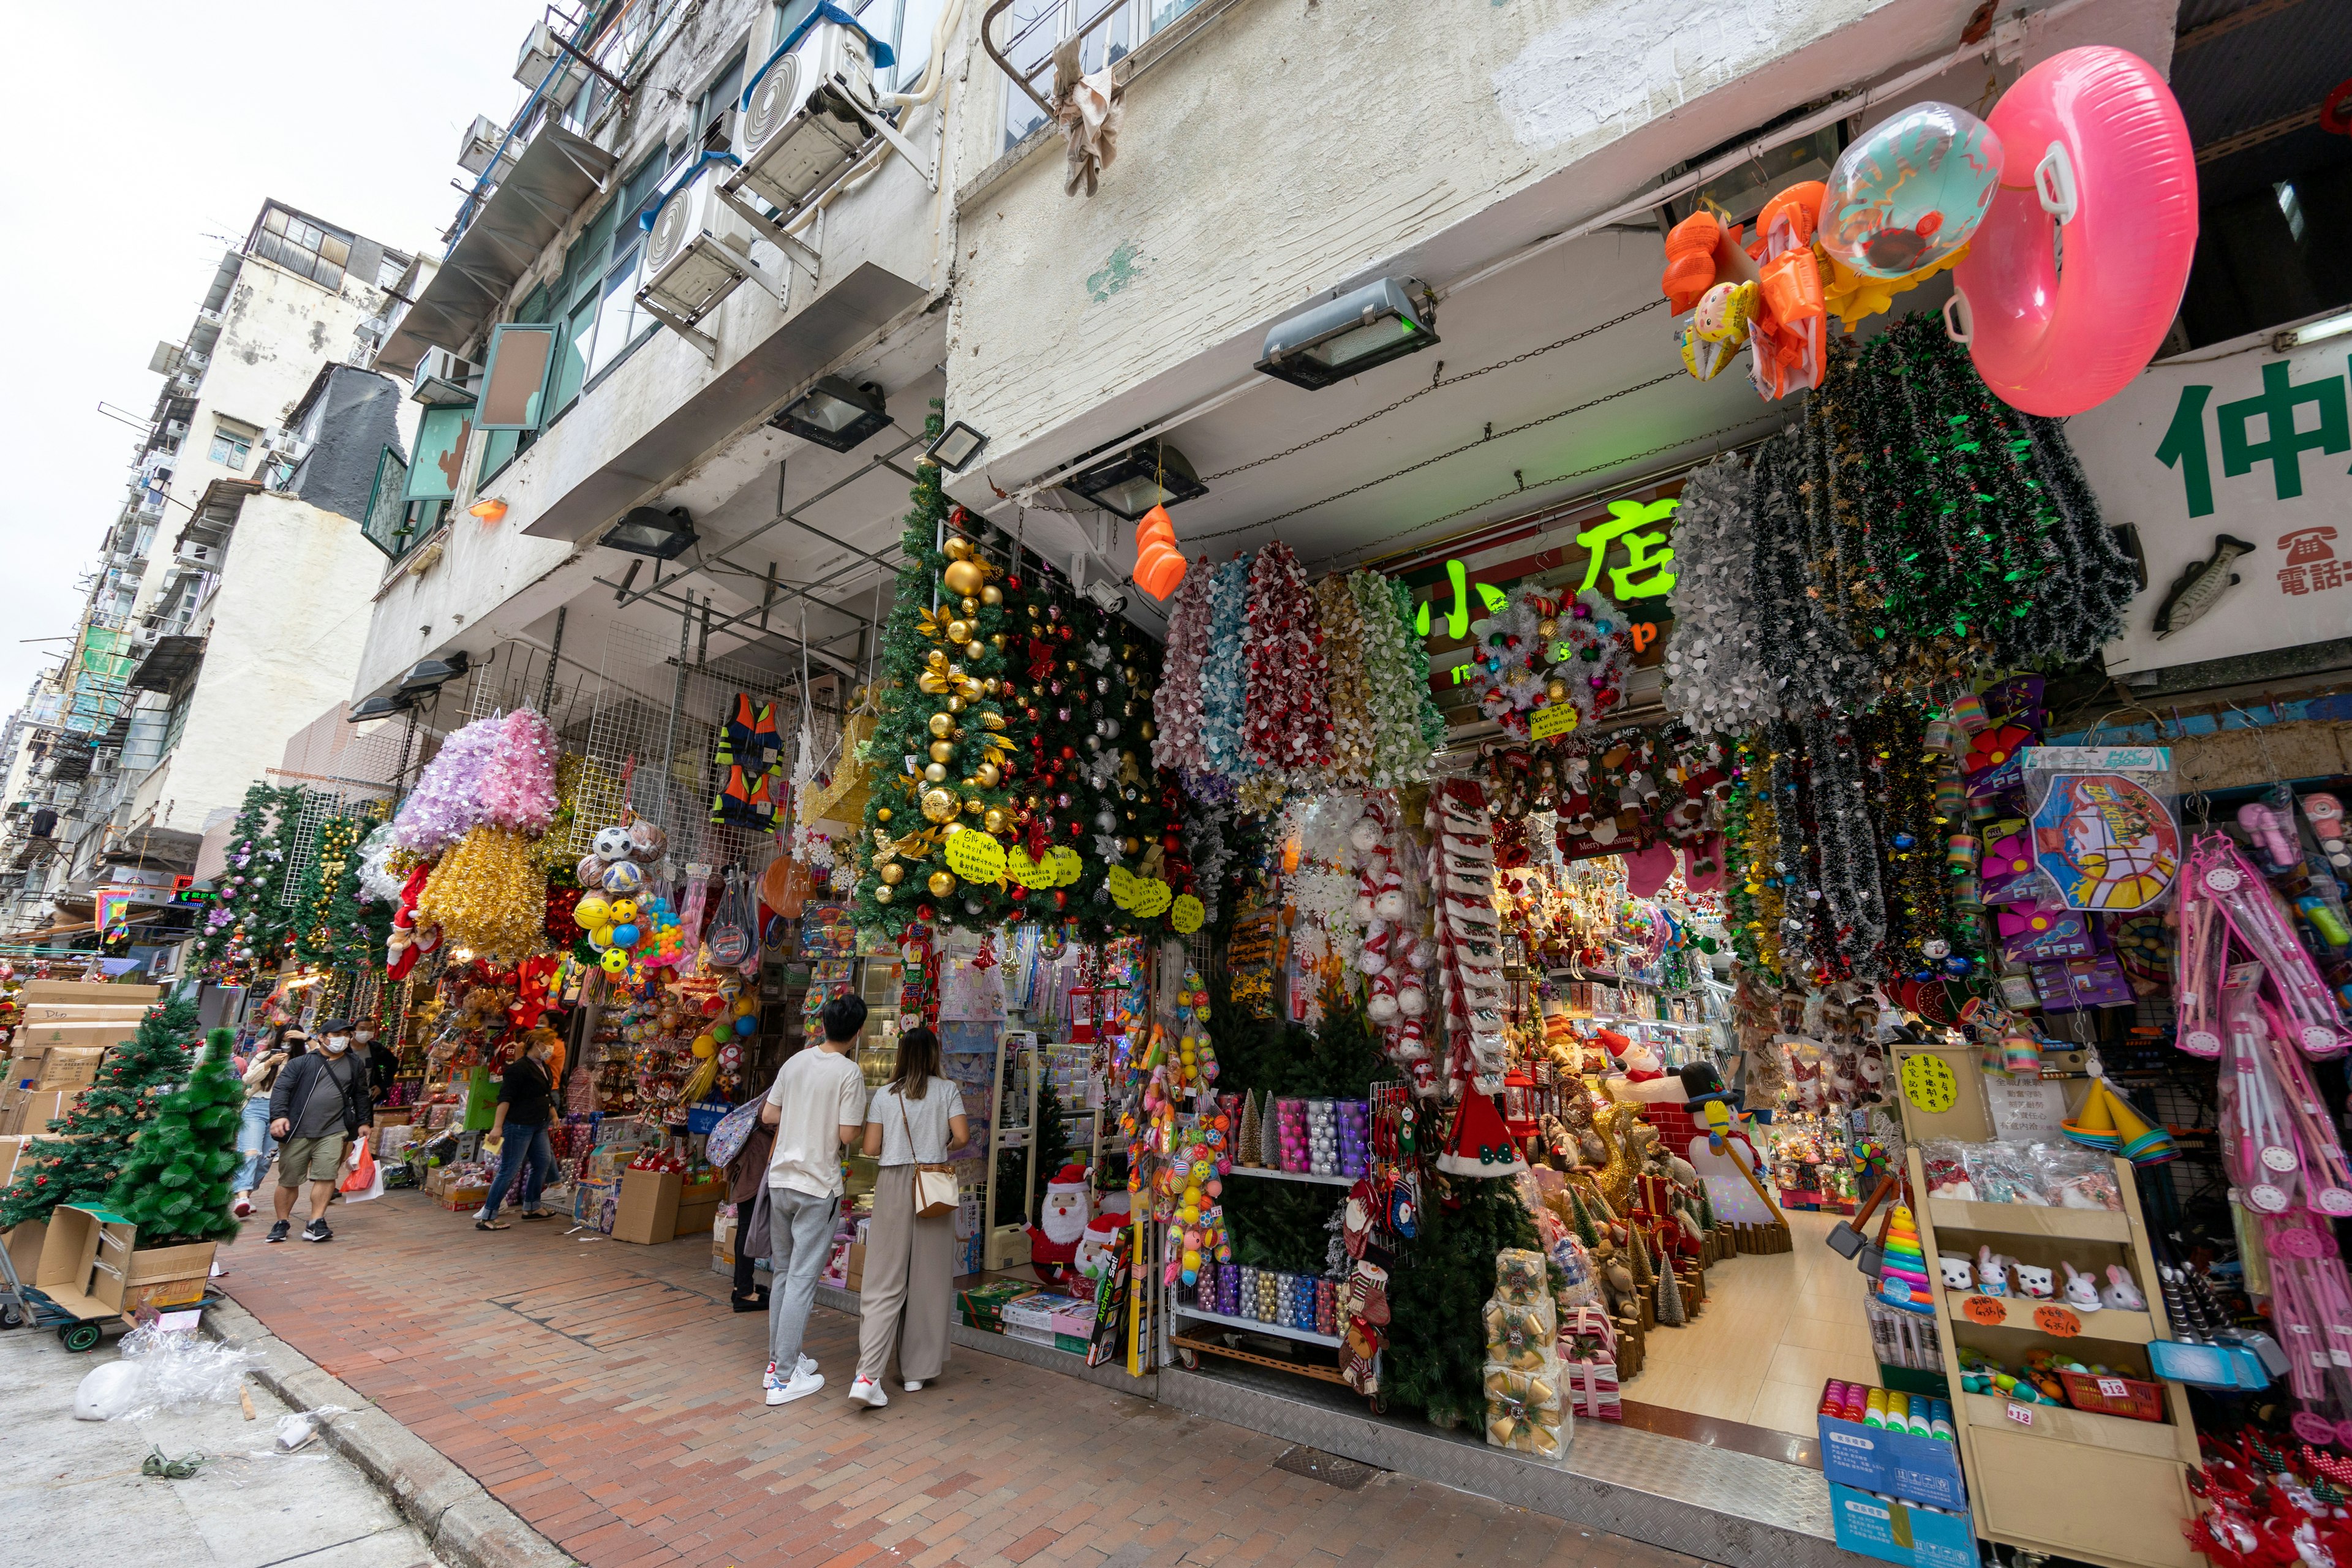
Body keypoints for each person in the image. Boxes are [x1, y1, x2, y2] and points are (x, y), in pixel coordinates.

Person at [756, 993, 870, 1406]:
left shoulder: (795, 1062)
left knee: (784, 1275)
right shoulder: (849, 1073)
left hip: (782, 1180)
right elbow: (846, 1135)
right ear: (858, 1033)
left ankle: (778, 1364)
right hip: (817, 1185)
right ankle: (786, 1378)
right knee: (802, 1280)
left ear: (822, 1023)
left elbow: (769, 1115)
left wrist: (801, 1118)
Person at [848, 1024, 968, 1408]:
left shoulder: (885, 1094)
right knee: (928, 1279)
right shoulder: (947, 1090)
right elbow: (962, 1137)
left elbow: (870, 1146)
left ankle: (868, 1374)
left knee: (883, 1279)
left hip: (893, 1184)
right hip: (932, 1182)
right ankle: (916, 1373)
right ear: (934, 1055)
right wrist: (938, 1144)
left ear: (901, 1055)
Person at [265, 1018, 371, 1243]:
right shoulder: (301, 1063)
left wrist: (364, 1122)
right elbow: (281, 1090)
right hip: (298, 1130)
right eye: (336, 1035)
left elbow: (361, 1094)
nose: (342, 1039)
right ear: (321, 1038)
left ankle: (316, 1221)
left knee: (326, 1175)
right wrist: (279, 1116)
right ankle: (282, 1222)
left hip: (333, 1129)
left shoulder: (354, 1065)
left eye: (346, 1034)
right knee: (289, 1180)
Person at [476, 1028, 560, 1231]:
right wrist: (497, 1128)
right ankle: (489, 1215)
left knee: (542, 1162)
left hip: (539, 1124)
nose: (551, 1049)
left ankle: (532, 1206)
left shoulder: (544, 1067)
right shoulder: (519, 1069)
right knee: (510, 1169)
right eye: (549, 1044)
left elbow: (544, 1095)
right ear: (537, 1044)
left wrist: (553, 1114)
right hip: (519, 1125)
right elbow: (505, 1099)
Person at [232, 1028, 303, 1219]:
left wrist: (307, 1039)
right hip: (256, 1106)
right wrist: (270, 1062)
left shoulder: (301, 1061)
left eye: (292, 1040)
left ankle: (246, 1195)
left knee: (266, 1159)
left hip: (281, 1112)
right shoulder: (264, 1055)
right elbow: (247, 1079)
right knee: (251, 1152)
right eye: (284, 1040)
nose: (287, 1044)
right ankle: (242, 1197)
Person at [724, 1108, 777, 1313]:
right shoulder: (772, 1103)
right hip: (753, 1172)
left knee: (745, 1229)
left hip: (748, 1169)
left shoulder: (767, 1098)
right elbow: (771, 1121)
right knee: (748, 1230)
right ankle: (745, 1294)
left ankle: (740, 1287)